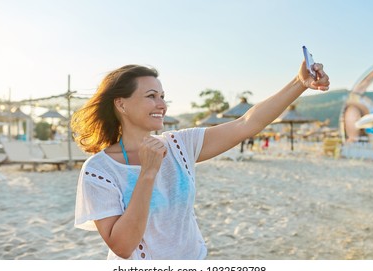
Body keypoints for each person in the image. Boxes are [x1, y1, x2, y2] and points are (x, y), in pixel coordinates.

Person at [72, 61, 330, 260]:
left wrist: (299, 83)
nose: (162, 104)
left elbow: (247, 123)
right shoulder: (99, 170)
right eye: (151, 96)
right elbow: (123, 245)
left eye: (163, 96)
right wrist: (148, 172)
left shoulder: (180, 145)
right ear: (121, 104)